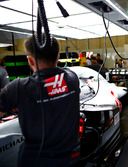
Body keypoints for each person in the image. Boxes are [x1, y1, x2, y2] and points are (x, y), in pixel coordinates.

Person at [0, 35, 80, 167]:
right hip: (71, 159)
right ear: (58, 57)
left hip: (36, 161)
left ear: (30, 61)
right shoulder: (72, 78)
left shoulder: (19, 88)